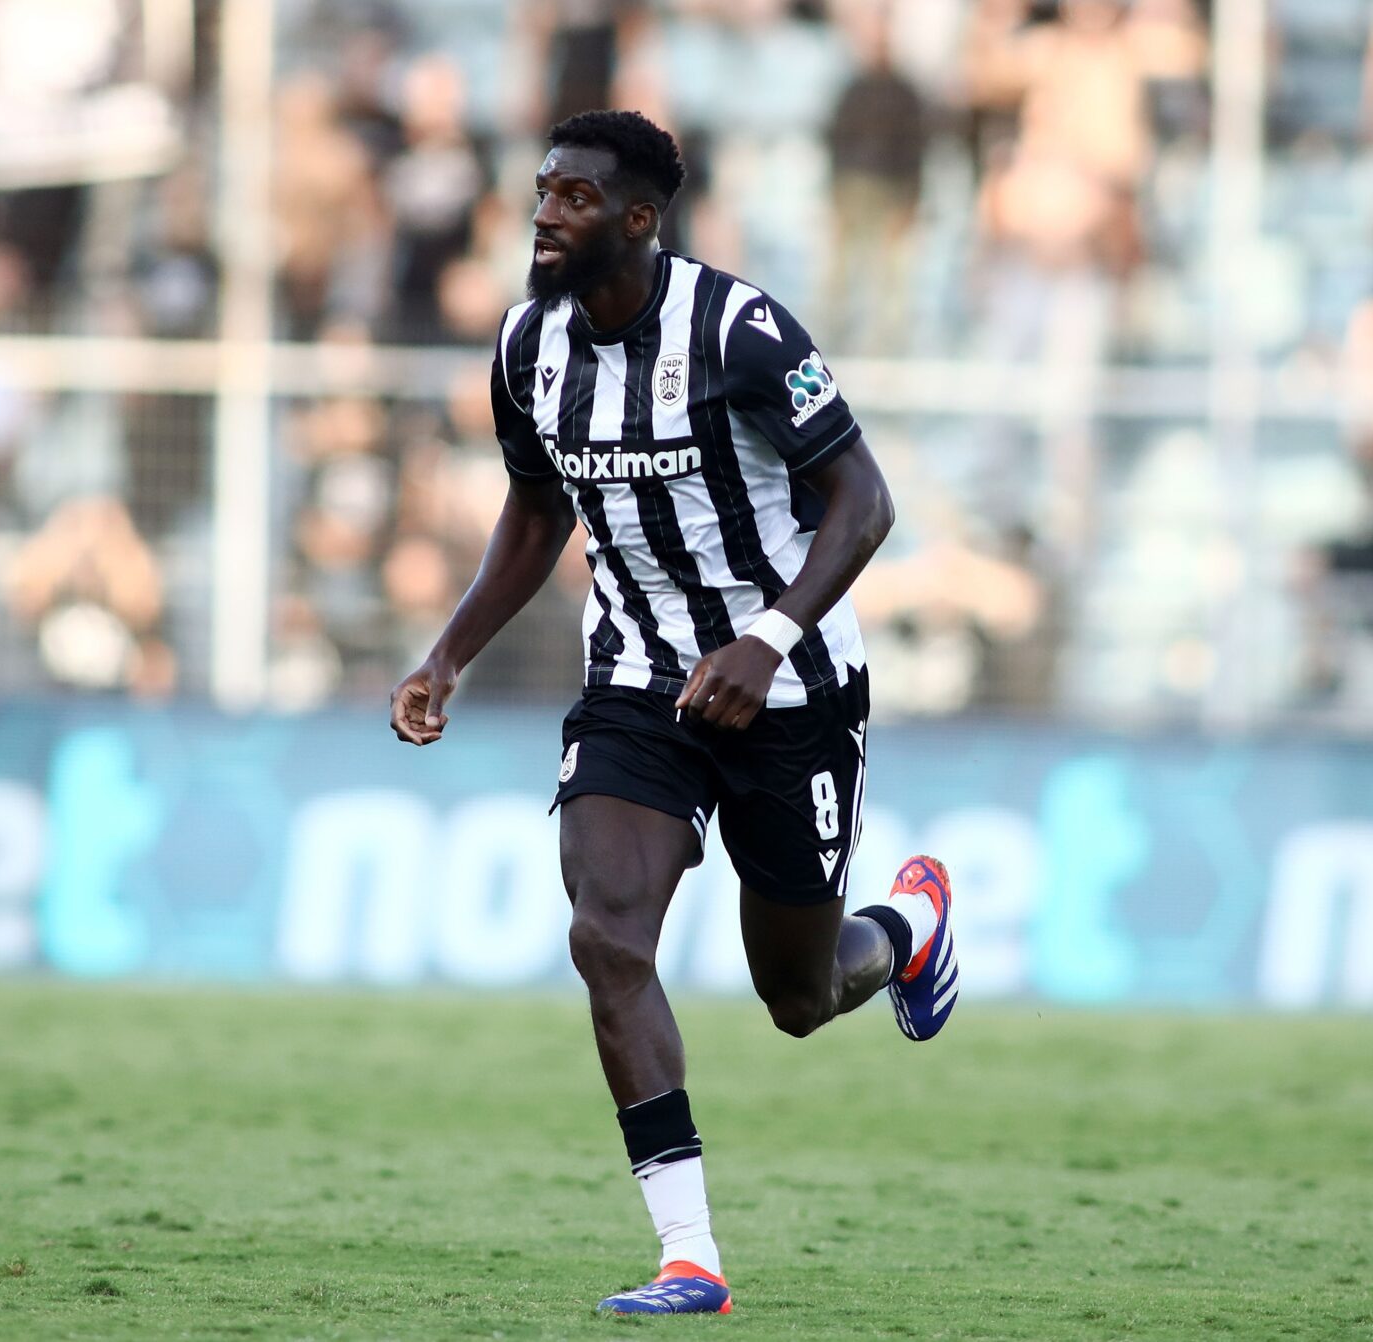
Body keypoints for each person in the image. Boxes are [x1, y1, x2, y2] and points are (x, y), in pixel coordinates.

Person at [387, 110, 958, 1317]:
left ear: (639, 219)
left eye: (575, 198)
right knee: (606, 935)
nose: (545, 214)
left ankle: (906, 925)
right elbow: (534, 511)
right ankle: (688, 1256)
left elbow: (864, 501)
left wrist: (768, 636)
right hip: (636, 680)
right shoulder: (525, 348)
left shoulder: (740, 331)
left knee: (797, 998)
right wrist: (448, 653)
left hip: (789, 682)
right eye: (542, 190)